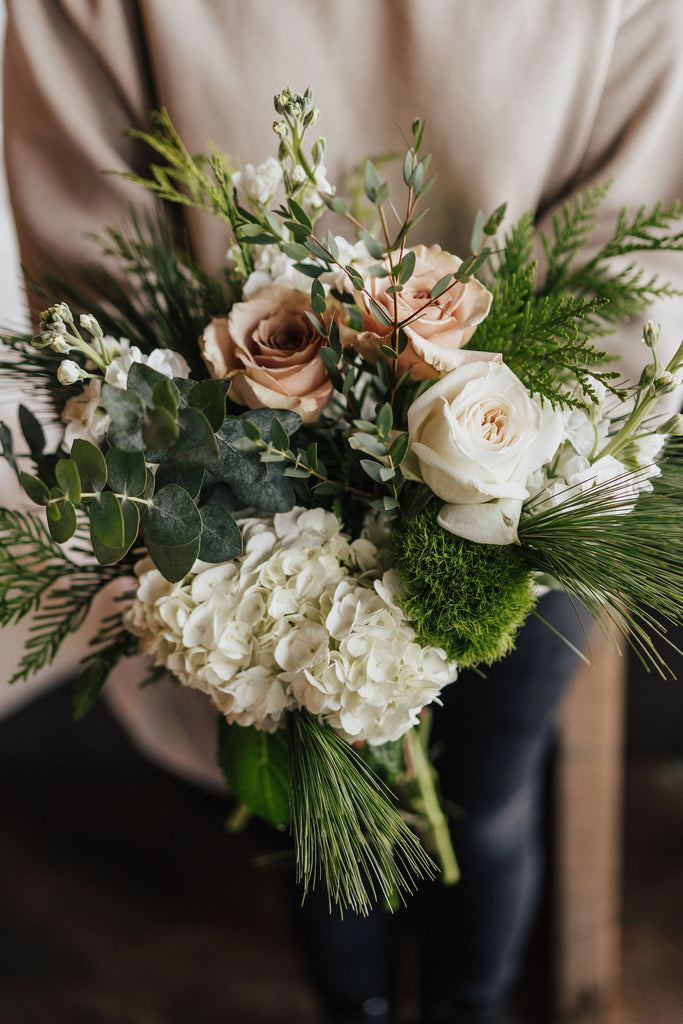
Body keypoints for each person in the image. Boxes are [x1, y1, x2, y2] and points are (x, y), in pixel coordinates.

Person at [4, 3, 683, 1022]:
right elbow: (91, 256)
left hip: (527, 498)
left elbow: (647, 243)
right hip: (245, 507)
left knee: (486, 799)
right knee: (321, 819)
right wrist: (255, 475)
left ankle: (471, 1004)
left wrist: (495, 466)